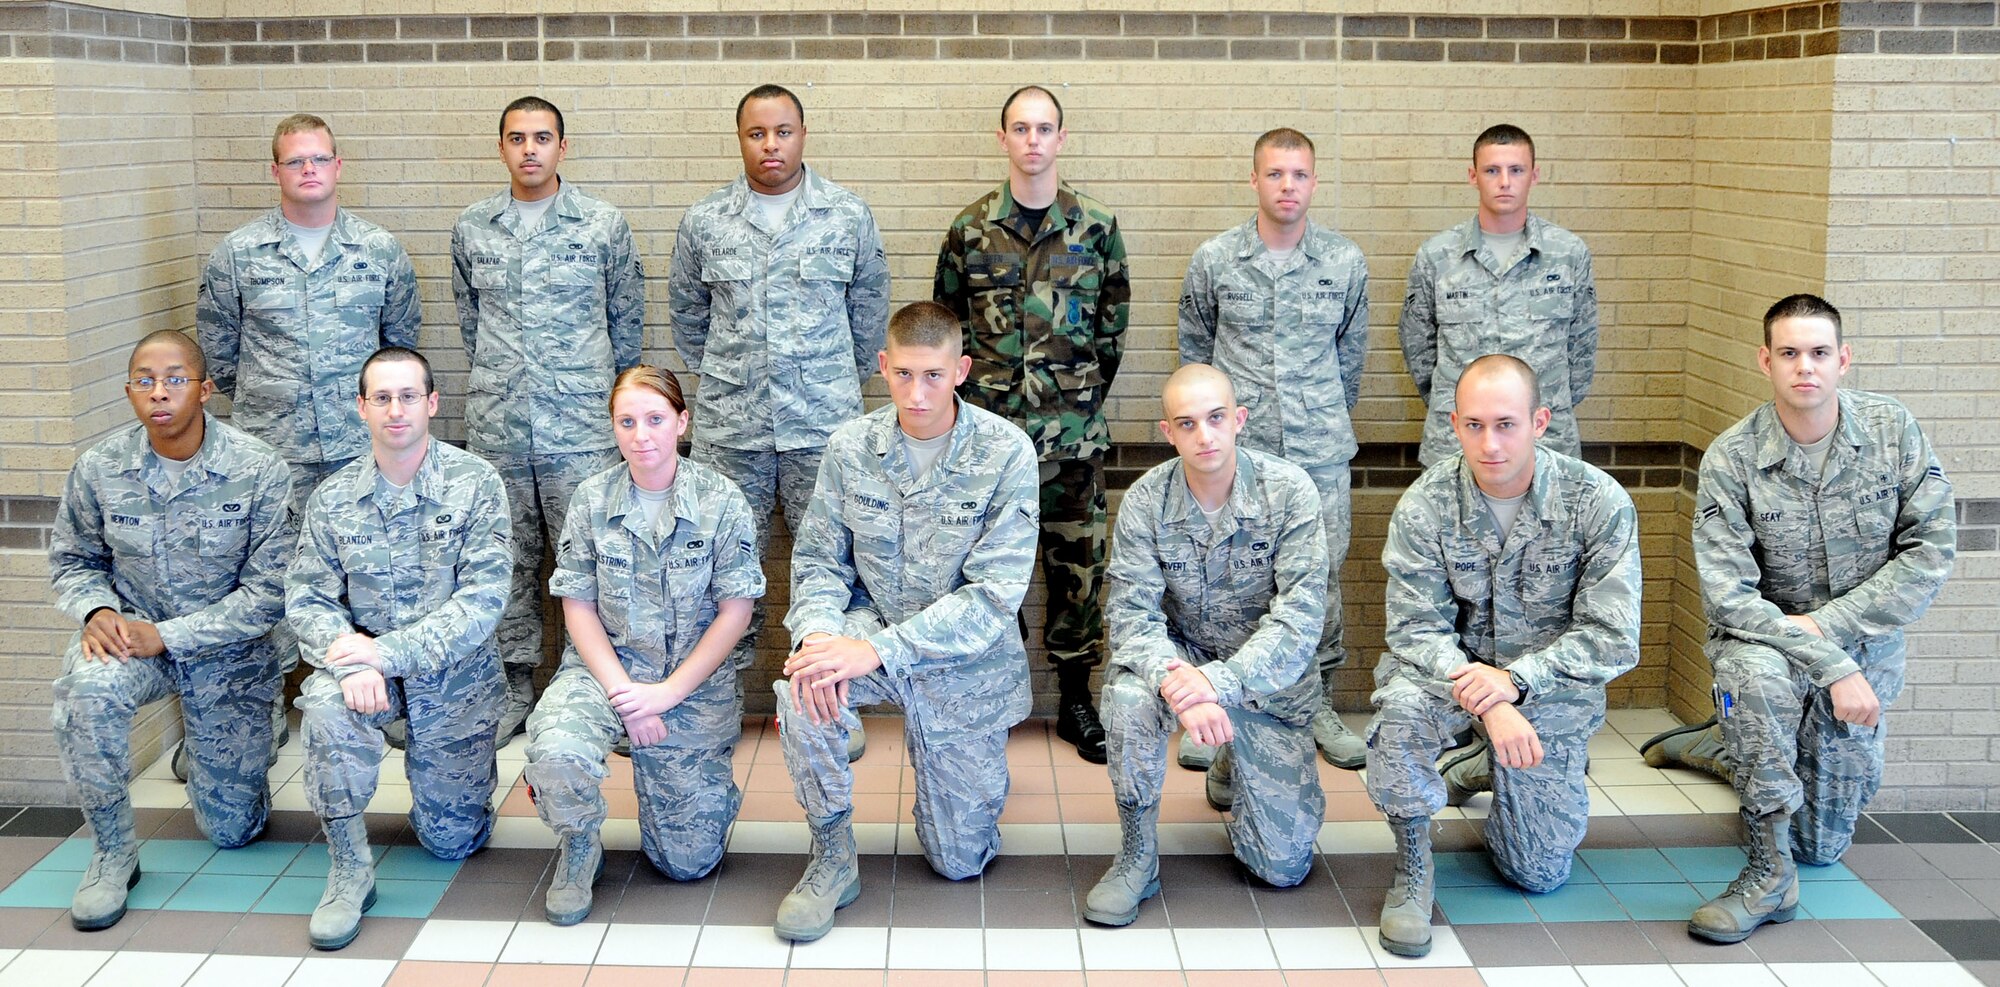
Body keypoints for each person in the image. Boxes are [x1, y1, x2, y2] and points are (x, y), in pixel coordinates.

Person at [1672, 294, 1955, 944]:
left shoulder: (1892, 431)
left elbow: (1932, 548)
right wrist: (1828, 661)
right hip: (1765, 648)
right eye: (1791, 353)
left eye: (1820, 352)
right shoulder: (1732, 458)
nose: (1807, 367)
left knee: (1822, 844)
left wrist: (1830, 628)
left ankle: (1719, 745)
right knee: (1754, 679)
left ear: (1843, 360)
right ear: (1765, 361)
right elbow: (1731, 599)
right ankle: (1768, 874)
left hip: (1864, 653)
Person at [770, 302, 1040, 943]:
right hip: (871, 621)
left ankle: (962, 780)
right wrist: (817, 639)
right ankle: (832, 855)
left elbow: (994, 596)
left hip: (962, 661)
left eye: (934, 376)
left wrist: (876, 652)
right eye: (904, 375)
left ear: (962, 371)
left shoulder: (1006, 452)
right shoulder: (850, 447)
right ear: (883, 367)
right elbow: (817, 562)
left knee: (958, 862)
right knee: (802, 686)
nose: (917, 394)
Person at [1367, 354, 1641, 957]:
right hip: (1449, 682)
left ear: (1540, 421)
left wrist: (1516, 683)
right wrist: (1490, 700)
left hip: (1547, 690)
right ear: (1453, 424)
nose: (1489, 443)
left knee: (1536, 874)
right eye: (1474, 425)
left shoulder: (1597, 501)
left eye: (1507, 424)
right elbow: (1415, 629)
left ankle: (1481, 767)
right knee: (1402, 710)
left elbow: (1613, 636)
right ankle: (1414, 867)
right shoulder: (1427, 505)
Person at [667, 84, 888, 762]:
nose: (771, 145)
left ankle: (828, 704)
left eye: (783, 132)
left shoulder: (846, 216)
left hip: (823, 428)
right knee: (719, 571)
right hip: (730, 430)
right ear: (740, 138)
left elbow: (868, 317)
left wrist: (824, 385)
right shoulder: (707, 220)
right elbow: (688, 319)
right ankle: (712, 705)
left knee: (830, 571)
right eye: (758, 133)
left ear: (802, 135)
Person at [49, 330, 293, 931]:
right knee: (87, 690)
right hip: (133, 641)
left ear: (205, 389)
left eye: (175, 379)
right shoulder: (100, 468)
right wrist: (96, 611)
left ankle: (235, 743)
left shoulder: (259, 469)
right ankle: (112, 852)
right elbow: (73, 558)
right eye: (145, 380)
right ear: (130, 392)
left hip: (227, 653)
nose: (160, 393)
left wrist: (172, 635)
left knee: (232, 831)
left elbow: (269, 594)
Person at [197, 112, 420, 766]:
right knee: (268, 582)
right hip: (273, 453)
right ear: (275, 171)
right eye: (295, 162)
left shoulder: (379, 251)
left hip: (363, 449)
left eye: (320, 158)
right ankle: (261, 711)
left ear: (338, 165)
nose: (309, 171)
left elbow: (400, 352)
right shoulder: (237, 256)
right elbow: (221, 357)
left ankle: (385, 701)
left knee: (377, 574)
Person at [1084, 365, 1329, 927]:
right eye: (1188, 424)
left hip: (1267, 679)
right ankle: (1137, 855)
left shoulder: (1289, 492)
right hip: (1182, 665)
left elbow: (1299, 619)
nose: (1205, 436)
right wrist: (1181, 684)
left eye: (1217, 418)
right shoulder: (1147, 500)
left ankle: (1234, 763)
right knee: (1126, 699)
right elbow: (1130, 615)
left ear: (1239, 419)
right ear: (1168, 432)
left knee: (1281, 869)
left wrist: (1218, 684)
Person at [287, 347, 512, 950]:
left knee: (451, 843)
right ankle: (349, 869)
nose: (395, 410)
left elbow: (483, 601)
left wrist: (380, 654)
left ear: (432, 403)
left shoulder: (475, 484)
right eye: (381, 398)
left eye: (408, 396)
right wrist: (345, 649)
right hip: (361, 678)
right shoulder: (332, 499)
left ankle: (449, 796)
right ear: (361, 407)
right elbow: (307, 597)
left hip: (453, 682)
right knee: (327, 709)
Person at [523, 365, 764, 925]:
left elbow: (737, 611)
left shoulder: (721, 500)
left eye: (655, 419)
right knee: (556, 751)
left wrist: (666, 694)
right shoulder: (591, 499)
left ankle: (704, 790)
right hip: (604, 671)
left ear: (682, 422)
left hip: (691, 682)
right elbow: (577, 605)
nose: (642, 435)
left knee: (686, 864)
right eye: (627, 421)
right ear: (613, 428)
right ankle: (580, 844)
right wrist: (626, 695)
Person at [933, 85, 1130, 764]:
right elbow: (947, 334)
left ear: (1061, 138)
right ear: (1003, 138)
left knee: (1078, 569)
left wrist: (1071, 402)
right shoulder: (968, 230)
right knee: (987, 568)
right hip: (987, 444)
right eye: (1021, 128)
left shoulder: (1097, 227)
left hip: (1072, 439)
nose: (1034, 140)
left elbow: (1111, 333)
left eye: (1045, 128)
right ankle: (993, 693)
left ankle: (1078, 698)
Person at [452, 95, 646, 742]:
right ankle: (512, 685)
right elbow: (472, 325)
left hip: (583, 428)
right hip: (499, 428)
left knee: (592, 559)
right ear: (500, 147)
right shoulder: (473, 227)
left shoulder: (601, 225)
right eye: (516, 137)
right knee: (503, 558)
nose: (529, 149)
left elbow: (626, 328)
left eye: (542, 137)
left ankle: (591, 686)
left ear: (563, 147)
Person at [1177, 126, 1370, 770]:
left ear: (1314, 182)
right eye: (1275, 174)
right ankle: (1221, 708)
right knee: (1231, 579)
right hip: (1239, 455)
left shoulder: (1344, 262)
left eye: (1300, 175)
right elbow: (1196, 356)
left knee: (1321, 582)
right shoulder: (1215, 260)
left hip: (1319, 455)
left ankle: (1314, 703)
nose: (1288, 186)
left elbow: (1351, 361)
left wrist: (1321, 417)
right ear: (1254, 180)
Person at [1398, 124, 1599, 466]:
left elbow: (1581, 349)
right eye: (1492, 170)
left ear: (1534, 176)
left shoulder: (1568, 254)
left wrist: (1547, 401)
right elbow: (1418, 347)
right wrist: (1454, 401)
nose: (1504, 181)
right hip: (1458, 445)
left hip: (1546, 443)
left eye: (1516, 170)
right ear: (1473, 176)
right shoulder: (1438, 256)